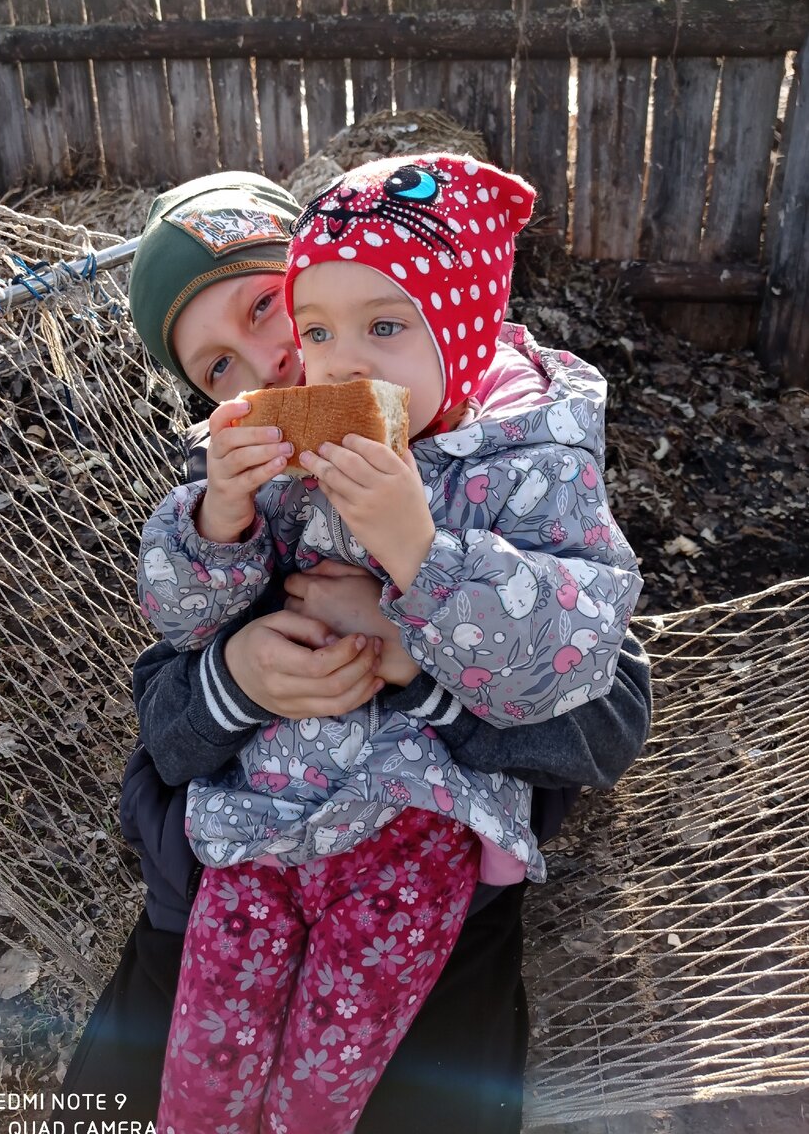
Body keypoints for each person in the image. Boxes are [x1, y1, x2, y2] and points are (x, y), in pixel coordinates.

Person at [59, 169, 652, 1134]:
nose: (277, 363)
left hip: (422, 869)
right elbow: (163, 723)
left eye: (269, 306)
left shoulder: (504, 451)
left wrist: (410, 654)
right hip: (238, 858)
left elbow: (605, 715)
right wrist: (232, 677)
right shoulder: (236, 479)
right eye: (218, 368)